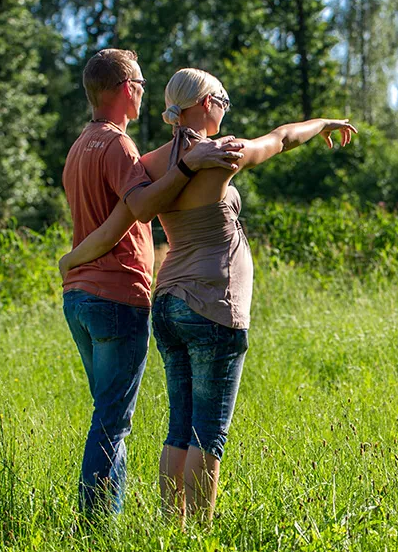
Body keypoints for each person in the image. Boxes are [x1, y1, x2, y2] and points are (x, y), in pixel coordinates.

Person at [60, 67, 357, 526]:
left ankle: (169, 528)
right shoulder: (223, 153)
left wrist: (72, 259)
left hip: (168, 301)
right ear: (204, 104)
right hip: (215, 301)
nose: (224, 106)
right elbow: (280, 139)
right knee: (208, 434)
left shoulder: (152, 164)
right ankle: (197, 536)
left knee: (179, 429)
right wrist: (324, 124)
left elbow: (120, 220)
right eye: (221, 98)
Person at [61, 50, 245, 516]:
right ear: (126, 88)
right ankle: (99, 526)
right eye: (140, 84)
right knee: (113, 421)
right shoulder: (120, 147)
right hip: (116, 294)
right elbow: (139, 209)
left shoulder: (79, 146)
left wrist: (71, 260)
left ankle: (109, 521)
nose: (144, 92)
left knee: (109, 414)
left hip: (80, 295)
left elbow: (111, 220)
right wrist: (190, 163)